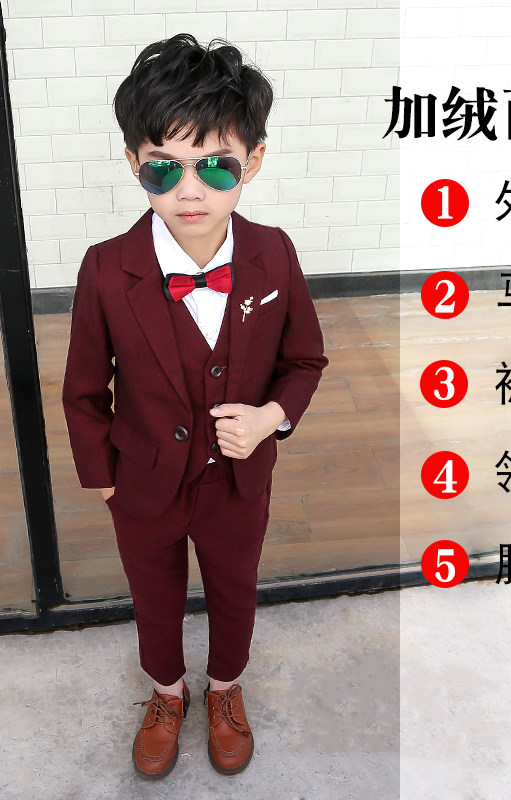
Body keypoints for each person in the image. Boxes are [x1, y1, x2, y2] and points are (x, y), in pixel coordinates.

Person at [61, 33, 327, 779]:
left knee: (235, 589)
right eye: (163, 167)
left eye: (215, 165)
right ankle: (166, 693)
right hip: (141, 480)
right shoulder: (106, 269)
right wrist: (105, 480)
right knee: (154, 595)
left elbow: (305, 360)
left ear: (254, 161)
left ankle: (225, 687)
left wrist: (270, 419)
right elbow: (83, 390)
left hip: (239, 480)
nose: (190, 191)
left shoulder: (274, 254)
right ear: (133, 164)